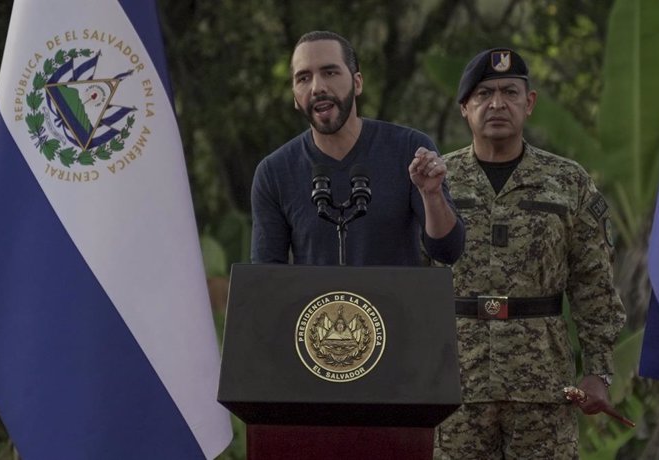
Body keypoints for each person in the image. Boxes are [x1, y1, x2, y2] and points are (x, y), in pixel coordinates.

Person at [433, 48, 627, 459]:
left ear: (530, 102)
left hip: (541, 383)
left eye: (509, 92)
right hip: (456, 382)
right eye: (483, 94)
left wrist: (598, 371)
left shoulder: (568, 181)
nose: (497, 104)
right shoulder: (437, 183)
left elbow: (594, 285)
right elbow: (410, 279)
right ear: (465, 107)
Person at [250, 30, 464, 266]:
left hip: (394, 303)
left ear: (357, 82)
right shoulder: (274, 172)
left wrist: (431, 195)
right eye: (303, 78)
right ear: (294, 97)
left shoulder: (410, 150)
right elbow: (265, 277)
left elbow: (448, 251)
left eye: (330, 72)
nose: (317, 87)